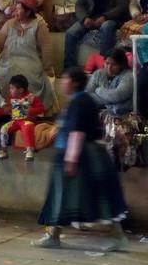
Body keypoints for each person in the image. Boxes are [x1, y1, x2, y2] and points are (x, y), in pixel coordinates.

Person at [31, 68, 128, 252]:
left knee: (87, 196)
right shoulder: (80, 101)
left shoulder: (80, 103)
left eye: (66, 79)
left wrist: (71, 160)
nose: (62, 82)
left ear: (74, 82)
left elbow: (77, 133)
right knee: (70, 196)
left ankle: (117, 236)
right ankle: (54, 235)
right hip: (81, 156)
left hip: (84, 157)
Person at [0, 0, 55, 114]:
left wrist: (47, 67)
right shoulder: (9, 24)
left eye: (19, 9)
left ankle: (23, 113)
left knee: (26, 79)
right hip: (8, 60)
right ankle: (3, 109)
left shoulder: (38, 25)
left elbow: (46, 47)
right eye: (15, 8)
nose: (15, 11)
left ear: (28, 12)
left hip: (30, 61)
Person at [63, 0, 129, 71]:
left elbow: (122, 6)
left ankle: (103, 65)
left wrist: (105, 16)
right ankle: (70, 68)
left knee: (106, 27)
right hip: (90, 17)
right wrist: (84, 18)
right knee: (70, 33)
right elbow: (80, 4)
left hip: (109, 18)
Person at [0, 74, 45, 162]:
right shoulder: (11, 99)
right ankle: (3, 149)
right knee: (4, 128)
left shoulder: (31, 97)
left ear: (20, 90)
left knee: (27, 128)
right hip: (15, 121)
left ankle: (30, 150)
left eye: (12, 88)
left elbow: (41, 108)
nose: (10, 90)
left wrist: (31, 111)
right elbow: (7, 110)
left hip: (27, 121)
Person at [86, 48, 133, 116]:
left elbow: (117, 96)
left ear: (122, 65)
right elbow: (87, 96)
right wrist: (111, 99)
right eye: (107, 63)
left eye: (114, 65)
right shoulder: (98, 73)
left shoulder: (128, 76)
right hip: (99, 112)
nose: (109, 67)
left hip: (121, 115)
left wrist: (98, 90)